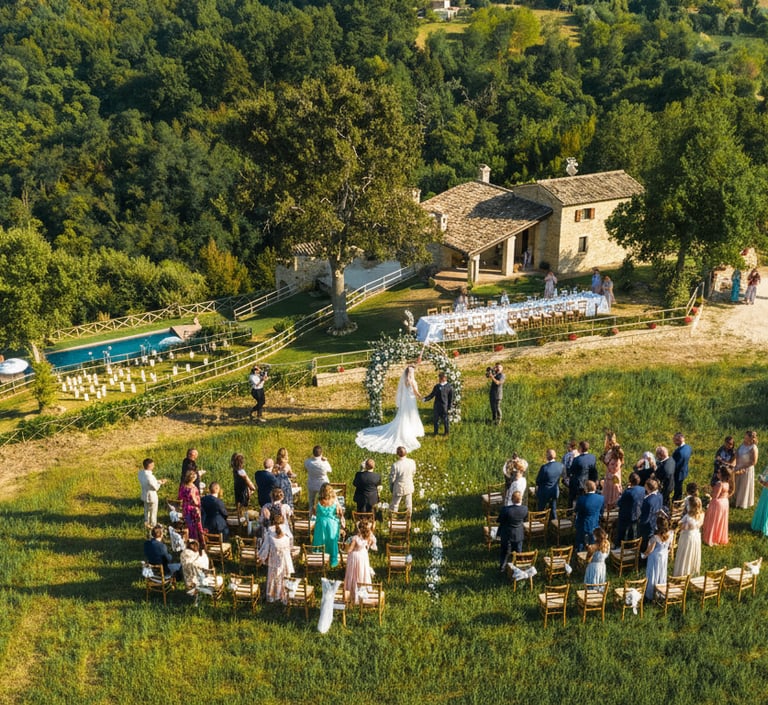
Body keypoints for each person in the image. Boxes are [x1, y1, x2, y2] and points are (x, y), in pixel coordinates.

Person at [355, 364, 424, 454]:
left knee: (406, 415)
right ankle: (412, 430)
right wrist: (422, 397)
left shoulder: (405, 381)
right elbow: (415, 392)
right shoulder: (411, 381)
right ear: (411, 373)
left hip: (406, 401)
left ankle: (412, 429)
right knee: (411, 414)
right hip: (410, 400)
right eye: (412, 372)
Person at [258, 511, 295, 603]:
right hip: (285, 559)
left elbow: (265, 548)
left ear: (272, 522)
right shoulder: (287, 532)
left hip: (274, 560)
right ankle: (284, 595)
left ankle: (273, 595)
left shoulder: (269, 533)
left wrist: (261, 558)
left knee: (273, 578)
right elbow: (291, 546)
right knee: (285, 577)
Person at [344, 520, 377, 602]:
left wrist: (346, 548)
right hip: (363, 555)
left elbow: (349, 550)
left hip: (355, 557)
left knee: (354, 573)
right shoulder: (368, 536)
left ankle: (352, 590)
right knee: (362, 572)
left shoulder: (355, 538)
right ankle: (363, 589)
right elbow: (369, 544)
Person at [313, 483, 343, 568]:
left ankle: (318, 559)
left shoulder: (318, 501)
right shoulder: (334, 501)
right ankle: (332, 560)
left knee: (320, 540)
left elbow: (314, 512)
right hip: (332, 524)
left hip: (320, 524)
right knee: (332, 541)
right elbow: (339, 512)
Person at [643, 514, 671, 601]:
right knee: (661, 573)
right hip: (664, 557)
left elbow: (649, 550)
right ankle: (660, 591)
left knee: (653, 573)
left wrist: (643, 555)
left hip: (655, 558)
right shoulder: (670, 534)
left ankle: (651, 593)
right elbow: (670, 547)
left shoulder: (655, 538)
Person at [497, 490, 528, 571]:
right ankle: (518, 568)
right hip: (518, 533)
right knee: (518, 552)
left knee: (504, 551)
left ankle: (502, 568)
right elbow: (525, 519)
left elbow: (500, 520)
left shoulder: (506, 510)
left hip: (507, 533)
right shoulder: (525, 509)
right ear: (521, 499)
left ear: (512, 499)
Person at [702, 467, 732, 546]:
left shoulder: (719, 484)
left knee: (714, 520)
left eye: (719, 472)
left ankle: (711, 537)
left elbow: (715, 496)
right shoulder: (727, 483)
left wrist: (708, 493)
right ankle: (719, 537)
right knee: (721, 521)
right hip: (725, 502)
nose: (717, 473)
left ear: (722, 474)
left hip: (718, 504)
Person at [673, 497, 703, 577]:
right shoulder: (701, 514)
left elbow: (683, 527)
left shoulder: (688, 516)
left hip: (687, 538)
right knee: (692, 554)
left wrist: (680, 524)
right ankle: (692, 572)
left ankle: (682, 572)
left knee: (685, 554)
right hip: (696, 536)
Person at [615, 472, 645, 546]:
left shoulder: (628, 492)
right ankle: (631, 545)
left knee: (621, 531)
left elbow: (619, 503)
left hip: (626, 515)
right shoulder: (642, 489)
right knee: (632, 531)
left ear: (630, 481)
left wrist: (625, 491)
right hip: (637, 513)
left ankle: (619, 545)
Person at [574, 480, 604, 552]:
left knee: (580, 541)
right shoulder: (601, 498)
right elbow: (601, 511)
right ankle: (592, 552)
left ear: (586, 489)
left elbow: (576, 510)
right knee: (592, 540)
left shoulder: (581, 499)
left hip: (582, 523)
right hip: (595, 522)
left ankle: (580, 553)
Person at [733, 431, 758, 509]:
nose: (745, 438)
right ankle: (734, 500)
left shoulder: (753, 448)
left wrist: (743, 466)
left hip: (746, 469)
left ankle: (742, 503)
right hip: (738, 466)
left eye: (746, 437)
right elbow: (737, 452)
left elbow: (753, 462)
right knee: (736, 484)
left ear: (751, 438)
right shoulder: (743, 444)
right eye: (745, 437)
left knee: (744, 485)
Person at [138, 458, 166, 528]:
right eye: (153, 465)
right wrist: (161, 482)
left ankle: (146, 522)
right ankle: (153, 525)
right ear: (150, 466)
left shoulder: (140, 473)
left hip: (144, 493)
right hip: (152, 495)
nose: (154, 466)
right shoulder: (150, 476)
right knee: (153, 511)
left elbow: (149, 483)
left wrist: (157, 481)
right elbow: (155, 488)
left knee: (146, 510)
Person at [423, 371, 453, 436]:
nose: (439, 379)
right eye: (439, 378)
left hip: (444, 406)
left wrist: (449, 407)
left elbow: (450, 398)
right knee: (436, 420)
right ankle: (435, 432)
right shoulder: (436, 386)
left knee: (445, 420)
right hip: (437, 405)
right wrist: (425, 399)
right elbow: (432, 395)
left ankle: (446, 432)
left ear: (445, 378)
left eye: (441, 378)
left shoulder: (449, 386)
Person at [179, 469, 204, 547]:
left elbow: (180, 497)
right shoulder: (193, 488)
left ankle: (189, 542)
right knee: (197, 526)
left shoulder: (183, 486)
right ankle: (198, 542)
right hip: (193, 509)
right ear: (193, 478)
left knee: (189, 525)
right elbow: (195, 501)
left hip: (185, 507)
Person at [536, 449, 563, 519]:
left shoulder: (544, 467)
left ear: (547, 456)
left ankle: (540, 524)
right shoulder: (561, 466)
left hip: (544, 492)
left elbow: (538, 481)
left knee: (541, 509)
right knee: (553, 509)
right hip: (554, 491)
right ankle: (554, 524)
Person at [568, 441, 596, 508]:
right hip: (589, 482)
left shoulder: (577, 459)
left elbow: (571, 470)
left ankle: (570, 511)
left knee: (572, 497)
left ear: (580, 448)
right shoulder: (592, 457)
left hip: (578, 483)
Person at [638, 479, 663, 552]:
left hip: (647, 525)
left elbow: (645, 517)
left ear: (648, 487)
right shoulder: (659, 495)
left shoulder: (648, 501)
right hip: (655, 522)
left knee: (644, 542)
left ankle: (643, 556)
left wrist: (639, 522)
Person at [305, 446, 332, 514]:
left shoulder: (308, 462)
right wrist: (326, 460)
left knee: (311, 501)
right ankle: (322, 513)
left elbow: (306, 466)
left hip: (312, 484)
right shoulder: (324, 463)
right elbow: (330, 470)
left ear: (313, 453)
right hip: (322, 484)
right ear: (321, 453)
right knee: (324, 499)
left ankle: (310, 515)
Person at [390, 446, 416, 515]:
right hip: (409, 485)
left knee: (395, 504)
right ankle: (408, 517)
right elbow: (413, 472)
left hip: (398, 486)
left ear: (397, 454)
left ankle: (394, 517)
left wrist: (391, 487)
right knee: (409, 503)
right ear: (406, 453)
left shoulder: (395, 465)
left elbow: (392, 478)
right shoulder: (412, 462)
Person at [672, 432, 692, 502]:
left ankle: (677, 500)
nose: (674, 442)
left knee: (677, 487)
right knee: (680, 485)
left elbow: (676, 465)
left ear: (680, 440)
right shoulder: (688, 447)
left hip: (678, 473)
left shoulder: (679, 452)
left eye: (675, 440)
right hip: (684, 471)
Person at [750, 468, 768, 537]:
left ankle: (764, 526)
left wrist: (761, 481)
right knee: (763, 507)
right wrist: (761, 478)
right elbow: (764, 475)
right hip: (765, 493)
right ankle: (761, 524)